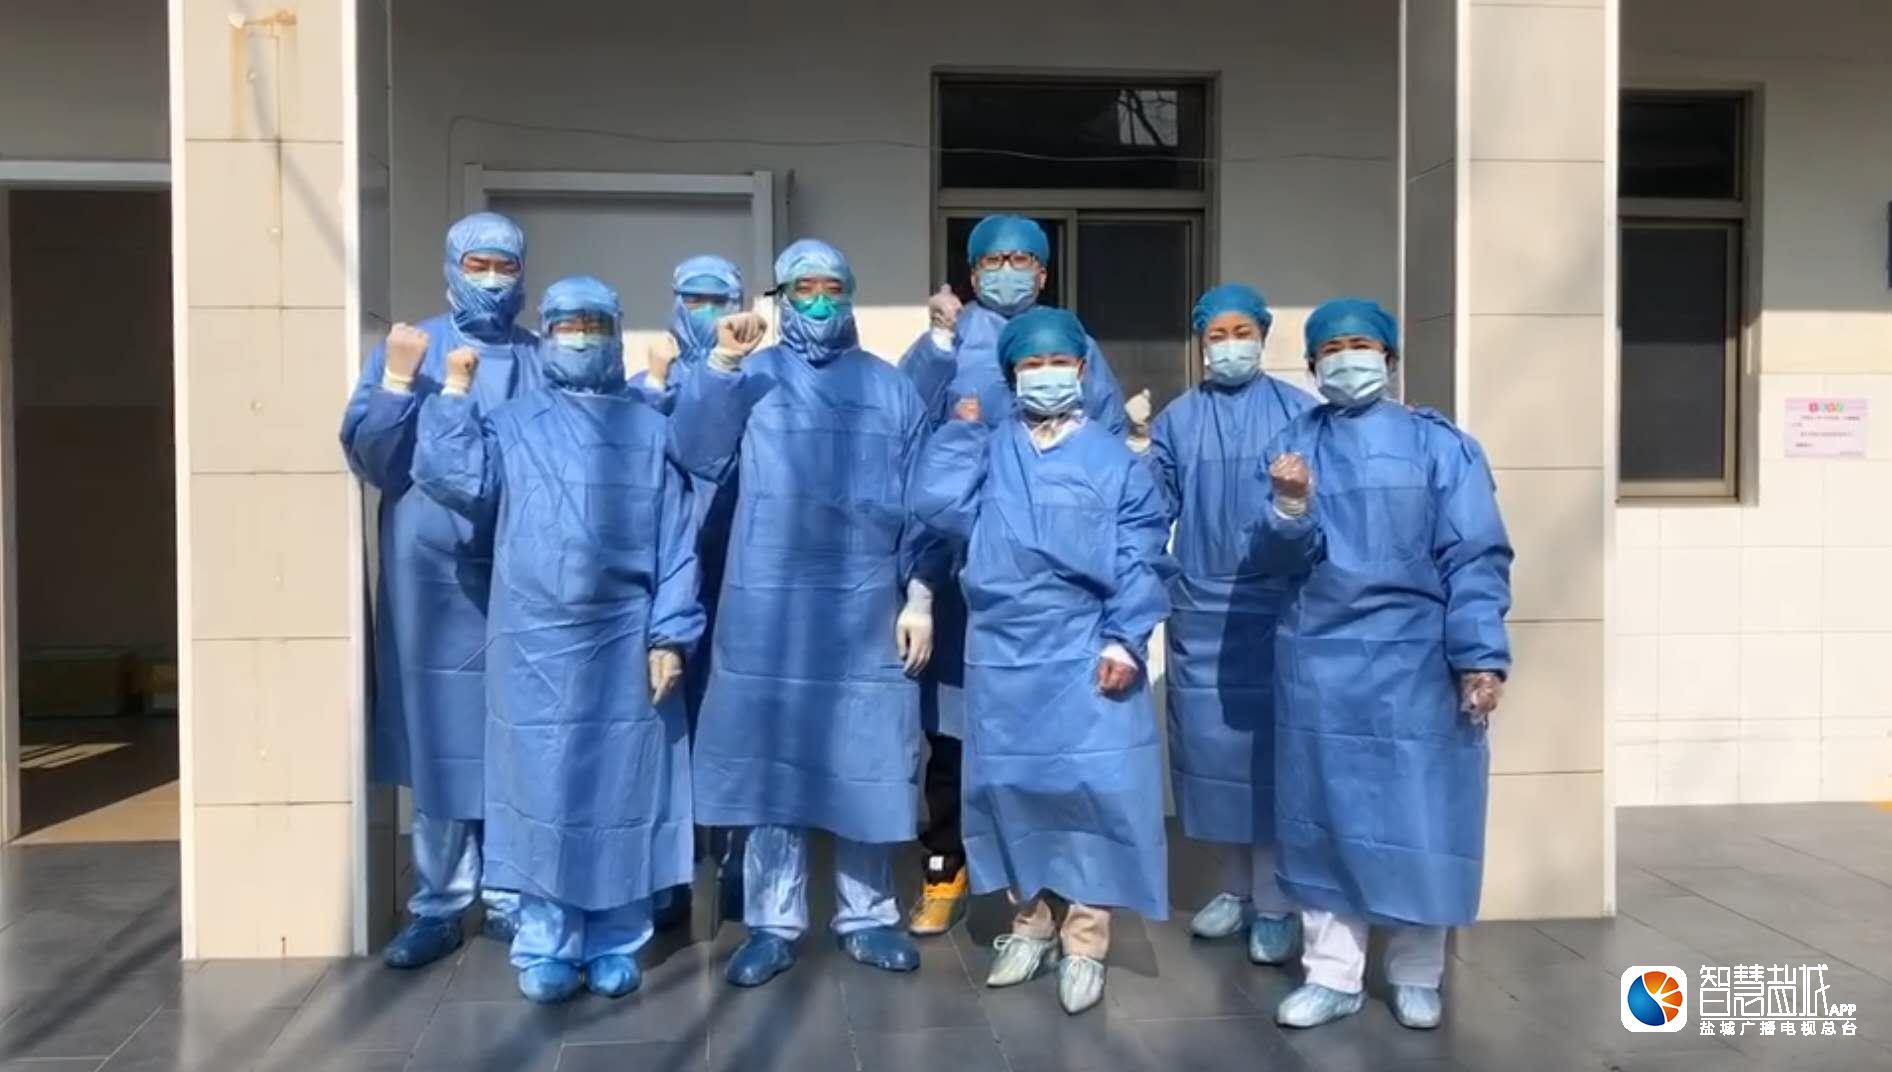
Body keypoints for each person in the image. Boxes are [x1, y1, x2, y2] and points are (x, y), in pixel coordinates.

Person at [411, 275, 703, 1004]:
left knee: (621, 792)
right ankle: (547, 941)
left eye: (594, 324)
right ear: (546, 334)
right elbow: (457, 481)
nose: (580, 337)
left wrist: (670, 633)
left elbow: (677, 540)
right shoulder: (512, 425)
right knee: (540, 791)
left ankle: (616, 938)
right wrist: (452, 395)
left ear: (616, 332)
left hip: (626, 639)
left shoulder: (648, 430)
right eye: (567, 324)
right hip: (533, 642)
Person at [673, 239, 939, 987]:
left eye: (831, 288)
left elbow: (923, 500)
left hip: (865, 607)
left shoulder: (890, 389)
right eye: (803, 289)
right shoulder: (750, 376)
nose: (819, 302)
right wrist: (720, 365)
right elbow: (695, 452)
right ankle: (773, 922)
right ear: (781, 296)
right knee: (773, 764)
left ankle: (868, 916)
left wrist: (920, 594)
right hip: (768, 607)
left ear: (850, 294)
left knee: (868, 761)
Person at [1253, 298, 1512, 1030]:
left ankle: (1417, 972)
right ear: (1312, 365)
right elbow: (1273, 559)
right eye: (1331, 349)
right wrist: (1290, 508)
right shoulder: (1292, 445)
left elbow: (1475, 557)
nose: (1347, 359)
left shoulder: (1441, 447)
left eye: (1360, 345)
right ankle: (1332, 974)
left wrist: (1480, 657)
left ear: (1390, 358)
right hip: (1320, 661)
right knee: (1324, 819)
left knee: (1420, 820)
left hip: (1417, 663)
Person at [910, 306, 1175, 1015]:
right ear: (1011, 375)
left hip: (1085, 647)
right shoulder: (989, 448)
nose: (1047, 374)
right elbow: (937, 509)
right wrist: (961, 434)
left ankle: (1085, 940)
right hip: (1001, 652)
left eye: (1060, 362)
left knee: (1092, 791)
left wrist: (1124, 638)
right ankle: (1029, 923)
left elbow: (1142, 552)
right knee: (1011, 788)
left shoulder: (1115, 462)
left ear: (1083, 370)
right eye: (1032, 364)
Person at [895, 214, 1130, 937]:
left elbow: (1106, 454)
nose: (1008, 271)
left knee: (1046, 746)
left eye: (1022, 259)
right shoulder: (950, 340)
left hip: (1055, 585)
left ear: (1044, 272)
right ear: (971, 273)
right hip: (966, 572)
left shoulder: (1071, 344)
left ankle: (1048, 887)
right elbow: (910, 440)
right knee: (955, 741)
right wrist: (921, 590)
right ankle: (947, 871)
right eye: (993, 260)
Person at [339, 211, 537, 967]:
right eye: (477, 264)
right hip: (431, 579)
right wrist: (395, 382)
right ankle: (441, 901)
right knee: (440, 734)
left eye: (505, 266)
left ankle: (513, 895)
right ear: (451, 266)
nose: (491, 279)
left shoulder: (542, 356)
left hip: (521, 573)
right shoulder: (411, 349)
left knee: (520, 732)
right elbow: (376, 462)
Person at [1147, 284, 1316, 964]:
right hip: (1202, 608)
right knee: (1213, 760)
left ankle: (1276, 901)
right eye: (1215, 335)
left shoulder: (1299, 414)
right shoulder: (1178, 421)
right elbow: (1150, 510)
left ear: (1263, 336)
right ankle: (1234, 888)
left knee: (1270, 758)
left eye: (1241, 331)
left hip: (1277, 606)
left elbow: (1316, 512)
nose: (1228, 346)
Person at [632, 255, 748, 931]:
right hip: (666, 575)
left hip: (738, 570)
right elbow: (638, 456)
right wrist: (654, 386)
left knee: (732, 723)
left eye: (719, 300)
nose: (707, 313)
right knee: (665, 727)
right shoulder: (649, 382)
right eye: (695, 300)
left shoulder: (753, 378)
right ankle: (669, 876)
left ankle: (737, 872)